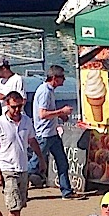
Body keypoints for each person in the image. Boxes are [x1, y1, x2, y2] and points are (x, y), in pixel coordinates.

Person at [0, 91, 46, 216]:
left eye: (19, 106)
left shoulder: (26, 120)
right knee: (14, 207)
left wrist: (41, 159)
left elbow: (32, 141)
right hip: (8, 169)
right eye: (14, 107)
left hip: (23, 168)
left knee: (20, 206)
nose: (17, 110)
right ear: (7, 105)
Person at [32, 65, 79, 199]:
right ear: (54, 78)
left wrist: (59, 115)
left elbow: (47, 112)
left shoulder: (49, 90)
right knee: (34, 163)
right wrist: (61, 112)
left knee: (62, 162)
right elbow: (42, 114)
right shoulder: (45, 92)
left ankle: (67, 191)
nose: (64, 80)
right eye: (61, 77)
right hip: (45, 134)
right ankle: (15, 182)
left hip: (52, 133)